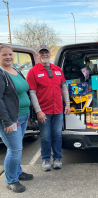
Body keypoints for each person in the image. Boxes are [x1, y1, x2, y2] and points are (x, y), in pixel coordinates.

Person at [27, 44, 70, 172]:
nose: (44, 55)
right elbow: (32, 93)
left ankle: (57, 158)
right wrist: (38, 111)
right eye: (42, 53)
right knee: (45, 137)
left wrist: (67, 103)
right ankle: (46, 159)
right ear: (38, 55)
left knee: (57, 135)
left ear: (50, 54)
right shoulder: (33, 72)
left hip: (58, 110)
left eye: (46, 52)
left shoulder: (57, 69)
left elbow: (63, 87)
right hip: (44, 111)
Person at [0, 44, 33, 193]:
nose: (8, 57)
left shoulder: (16, 70)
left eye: (10, 54)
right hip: (11, 118)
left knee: (17, 147)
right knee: (14, 149)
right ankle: (11, 180)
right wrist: (6, 121)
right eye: (4, 55)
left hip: (24, 115)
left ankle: (18, 171)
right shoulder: (1, 74)